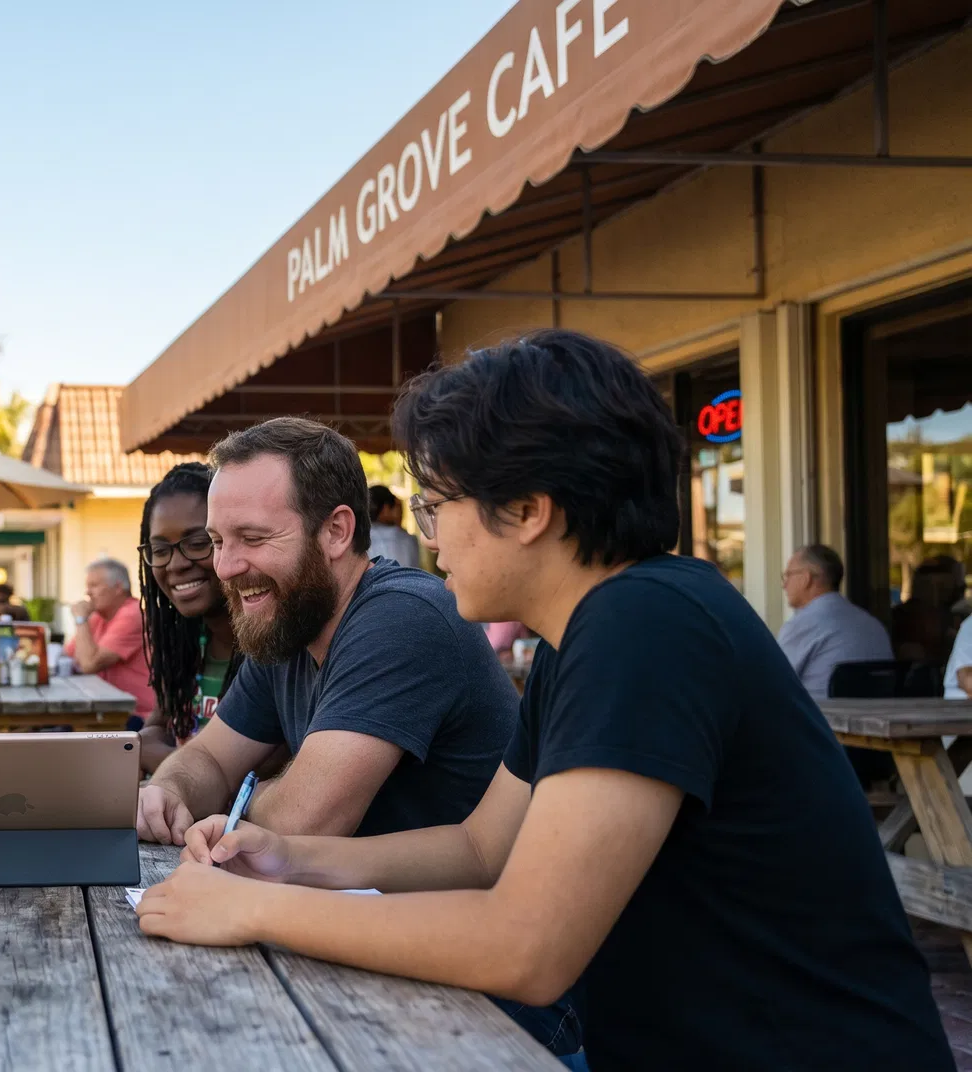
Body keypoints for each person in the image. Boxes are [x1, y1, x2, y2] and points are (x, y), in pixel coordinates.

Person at [139, 330, 952, 1072]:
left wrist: (251, 910)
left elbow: (527, 946)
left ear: (527, 511)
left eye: (436, 505)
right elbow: (479, 851)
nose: (428, 537)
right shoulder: (591, 634)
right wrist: (289, 861)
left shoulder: (647, 626)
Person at [135, 419, 515, 846]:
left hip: (458, 909)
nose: (225, 567)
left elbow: (305, 822)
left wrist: (235, 800)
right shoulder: (289, 620)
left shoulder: (402, 617)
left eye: (253, 538)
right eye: (219, 541)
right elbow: (209, 758)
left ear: (336, 531)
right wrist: (169, 790)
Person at [134, 462, 241, 773]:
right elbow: (152, 731)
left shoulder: (272, 656)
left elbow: (240, 775)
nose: (176, 564)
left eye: (197, 544)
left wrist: (154, 754)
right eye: (160, 550)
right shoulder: (188, 646)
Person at [777, 543, 894, 697]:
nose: (784, 585)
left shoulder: (802, 625)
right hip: (878, 718)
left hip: (822, 719)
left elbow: (770, 685)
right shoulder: (873, 625)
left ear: (806, 578)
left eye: (788, 575)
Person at [64, 559, 155, 716]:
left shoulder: (133, 614)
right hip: (106, 709)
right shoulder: (99, 616)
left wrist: (81, 619)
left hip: (137, 714)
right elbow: (70, 657)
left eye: (94, 585)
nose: (88, 593)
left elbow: (88, 665)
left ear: (118, 587)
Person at [368, 484, 422, 569]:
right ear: (386, 509)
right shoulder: (405, 539)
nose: (401, 513)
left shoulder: (359, 538)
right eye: (398, 507)